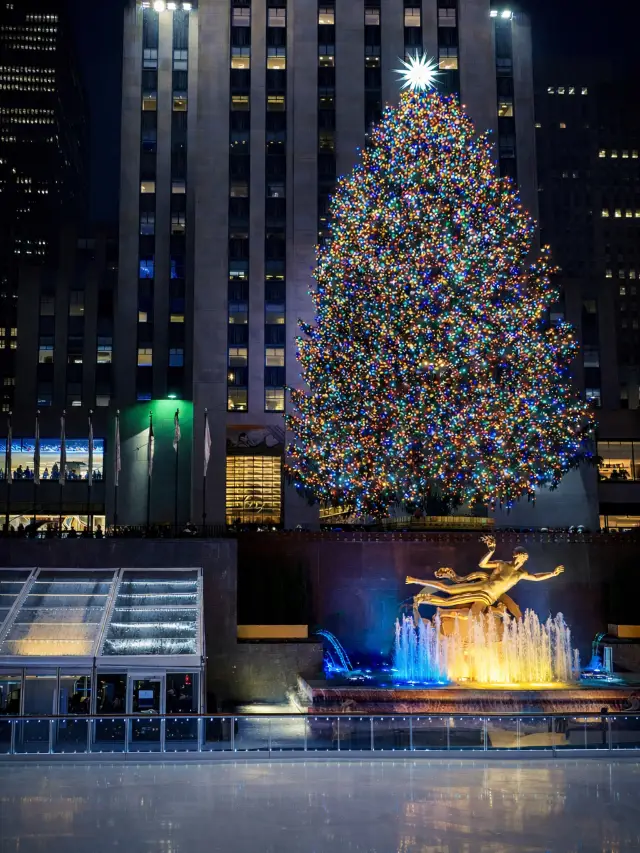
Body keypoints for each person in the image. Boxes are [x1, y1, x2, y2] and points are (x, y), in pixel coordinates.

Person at [406, 535, 565, 612]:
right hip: (482, 586)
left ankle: (424, 599)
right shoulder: (502, 564)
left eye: (524, 558)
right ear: (515, 556)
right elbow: (482, 564)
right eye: (520, 556)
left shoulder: (521, 574)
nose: (521, 560)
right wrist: (490, 551)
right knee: (449, 589)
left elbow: (536, 577)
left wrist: (552, 573)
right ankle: (415, 580)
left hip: (488, 597)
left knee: (449, 601)